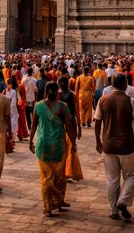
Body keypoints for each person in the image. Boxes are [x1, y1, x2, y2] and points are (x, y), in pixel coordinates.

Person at [94, 72, 134, 221]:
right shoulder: (131, 101)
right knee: (132, 175)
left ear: (113, 84)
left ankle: (114, 210)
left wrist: (98, 141)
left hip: (108, 145)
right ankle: (123, 201)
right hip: (126, 145)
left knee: (112, 180)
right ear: (125, 85)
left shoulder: (103, 100)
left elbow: (97, 122)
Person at [29, 82, 76, 217]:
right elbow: (68, 127)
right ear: (57, 92)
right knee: (60, 177)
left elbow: (33, 125)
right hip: (58, 146)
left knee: (46, 177)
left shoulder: (38, 106)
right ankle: (58, 200)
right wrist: (74, 143)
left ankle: (48, 207)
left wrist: (31, 141)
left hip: (42, 145)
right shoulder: (63, 107)